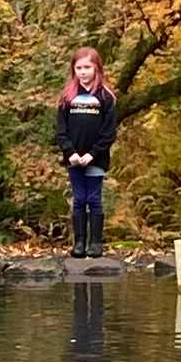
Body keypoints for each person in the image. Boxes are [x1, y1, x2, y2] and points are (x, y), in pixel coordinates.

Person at [56, 45, 119, 259]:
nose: (83, 72)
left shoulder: (105, 97)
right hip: (73, 158)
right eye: (78, 67)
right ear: (73, 70)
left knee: (94, 199)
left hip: (96, 158)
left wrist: (93, 153)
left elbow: (109, 132)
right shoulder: (67, 97)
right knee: (79, 199)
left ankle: (95, 243)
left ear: (96, 69)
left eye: (87, 67)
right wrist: (70, 152)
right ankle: (79, 242)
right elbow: (61, 130)